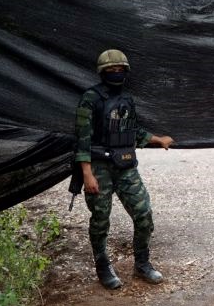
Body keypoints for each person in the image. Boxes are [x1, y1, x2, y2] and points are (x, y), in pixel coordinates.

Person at [74, 49, 174, 289]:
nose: (116, 73)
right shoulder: (91, 98)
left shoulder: (127, 99)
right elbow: (82, 139)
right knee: (100, 220)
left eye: (120, 70)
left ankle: (142, 264)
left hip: (126, 165)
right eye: (112, 70)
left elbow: (133, 131)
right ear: (102, 72)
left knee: (144, 215)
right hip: (99, 168)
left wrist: (157, 139)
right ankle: (102, 266)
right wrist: (87, 174)